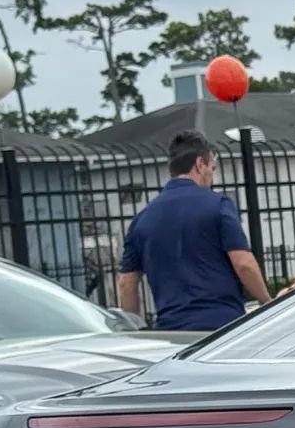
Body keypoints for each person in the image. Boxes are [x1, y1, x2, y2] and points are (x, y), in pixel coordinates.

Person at [116, 132, 271, 330]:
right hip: (223, 326)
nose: (212, 177)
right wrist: (267, 302)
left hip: (171, 331)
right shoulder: (218, 205)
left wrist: (137, 330)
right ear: (200, 164)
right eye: (212, 169)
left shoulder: (142, 219)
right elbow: (244, 264)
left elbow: (126, 283)